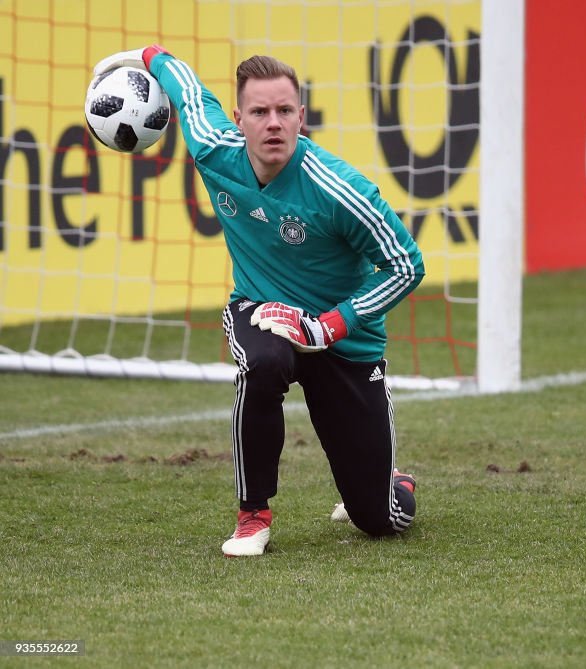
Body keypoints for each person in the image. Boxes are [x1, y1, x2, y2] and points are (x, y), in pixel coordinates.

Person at [93, 46, 425, 556]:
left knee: (381, 520)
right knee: (263, 361)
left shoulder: (341, 191)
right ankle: (253, 515)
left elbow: (406, 265)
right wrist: (146, 55)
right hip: (260, 307)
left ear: (301, 117)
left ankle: (389, 479)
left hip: (343, 341)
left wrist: (330, 325)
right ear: (239, 120)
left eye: (284, 111)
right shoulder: (211, 147)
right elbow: (185, 86)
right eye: (260, 112)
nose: (273, 123)